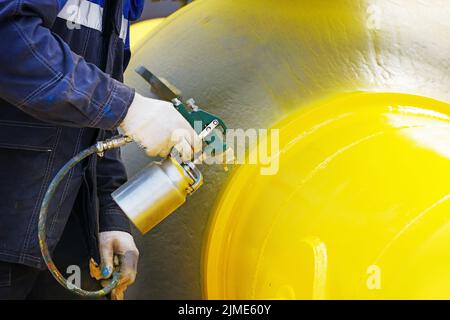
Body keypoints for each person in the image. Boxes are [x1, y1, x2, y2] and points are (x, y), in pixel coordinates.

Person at [0, 0, 199, 299]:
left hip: (56, 233)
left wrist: (108, 216)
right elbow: (8, 38)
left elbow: (93, 120)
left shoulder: (118, 8)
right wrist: (126, 108)